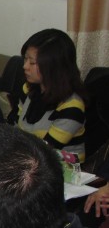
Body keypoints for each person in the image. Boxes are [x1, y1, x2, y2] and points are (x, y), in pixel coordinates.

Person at [10, 28, 86, 161]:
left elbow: (46, 151)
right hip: (28, 159)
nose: (25, 66)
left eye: (32, 62)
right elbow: (14, 129)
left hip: (63, 167)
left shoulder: (72, 106)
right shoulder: (27, 89)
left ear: (54, 66)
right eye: (25, 59)